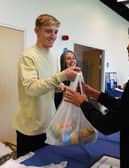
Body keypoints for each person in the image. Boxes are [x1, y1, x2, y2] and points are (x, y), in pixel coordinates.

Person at [64, 13, 129, 168]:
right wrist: (97, 95)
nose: (127, 46)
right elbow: (128, 108)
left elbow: (107, 125)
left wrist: (83, 103)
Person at [13, 14, 79, 157]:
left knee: (46, 162)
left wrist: (62, 87)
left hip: (49, 124)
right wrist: (63, 75)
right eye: (48, 31)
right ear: (37, 31)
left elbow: (53, 82)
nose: (53, 36)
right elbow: (31, 89)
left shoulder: (54, 56)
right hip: (30, 128)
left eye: (56, 32)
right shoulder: (28, 56)